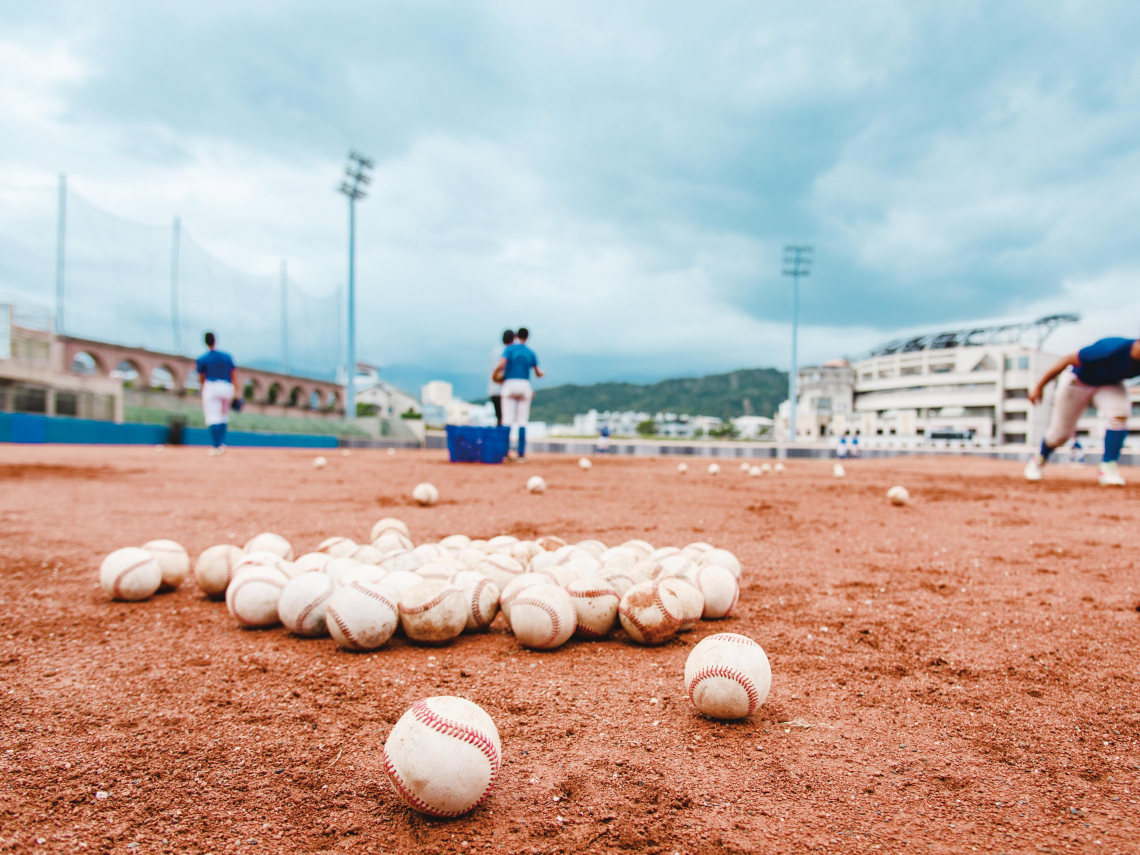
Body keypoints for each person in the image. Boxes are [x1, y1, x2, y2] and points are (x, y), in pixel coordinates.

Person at [1025, 335, 1140, 486]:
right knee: (1060, 436)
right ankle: (1039, 458)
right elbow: (1066, 359)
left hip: (1109, 384)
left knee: (1119, 414)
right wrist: (1039, 386)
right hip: (1078, 380)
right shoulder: (1110, 349)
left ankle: (1108, 468)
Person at [495, 327, 544, 461]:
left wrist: (495, 373)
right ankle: (521, 454)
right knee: (522, 421)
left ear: (516, 336)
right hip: (524, 385)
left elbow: (501, 364)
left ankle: (505, 453)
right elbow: (538, 373)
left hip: (509, 384)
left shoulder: (509, 349)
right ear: (527, 337)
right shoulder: (530, 352)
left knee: (507, 420)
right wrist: (542, 373)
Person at [196, 332, 237, 456]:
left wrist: (203, 388)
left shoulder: (203, 358)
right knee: (223, 416)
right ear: (215, 340)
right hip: (227, 387)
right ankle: (222, 443)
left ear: (205, 342)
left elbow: (202, 377)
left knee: (213, 417)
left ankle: (217, 446)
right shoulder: (227, 356)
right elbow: (234, 375)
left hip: (212, 386)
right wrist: (237, 392)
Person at [488, 330, 514, 427]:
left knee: (499, 417)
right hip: (502, 388)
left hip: (493, 388)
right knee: (505, 417)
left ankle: (499, 434)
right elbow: (502, 368)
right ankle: (503, 435)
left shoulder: (495, 350)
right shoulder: (508, 351)